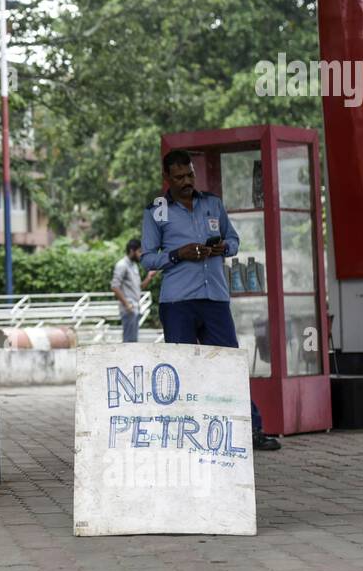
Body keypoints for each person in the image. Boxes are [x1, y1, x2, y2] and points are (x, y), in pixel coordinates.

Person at [140, 150, 282, 451]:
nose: (187, 181)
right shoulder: (156, 210)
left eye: (190, 174)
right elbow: (148, 259)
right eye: (179, 177)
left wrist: (223, 248)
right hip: (178, 302)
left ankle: (251, 430)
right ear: (167, 179)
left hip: (215, 297)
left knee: (229, 366)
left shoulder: (213, 204)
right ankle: (185, 434)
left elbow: (234, 239)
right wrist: (180, 254)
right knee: (183, 369)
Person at [111, 238, 155, 342]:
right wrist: (127, 304)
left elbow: (138, 287)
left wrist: (149, 277)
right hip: (129, 309)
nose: (141, 255)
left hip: (135, 308)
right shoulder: (122, 265)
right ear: (131, 251)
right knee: (129, 342)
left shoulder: (134, 266)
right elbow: (114, 287)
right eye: (139, 251)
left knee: (133, 341)